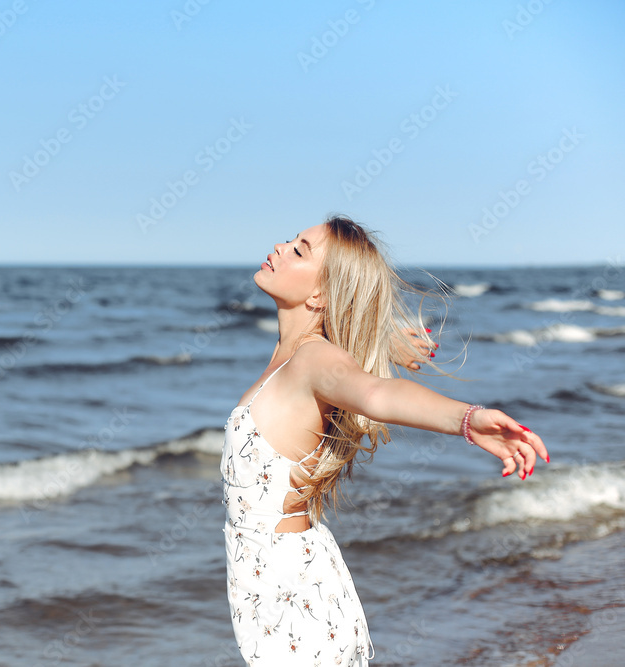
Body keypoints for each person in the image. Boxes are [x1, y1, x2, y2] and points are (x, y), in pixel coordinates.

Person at [221, 215, 548, 665]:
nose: (279, 246)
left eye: (299, 249)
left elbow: (376, 392)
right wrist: (382, 340)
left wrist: (466, 420)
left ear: (320, 293)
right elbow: (347, 359)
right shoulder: (293, 355)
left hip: (291, 595)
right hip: (275, 584)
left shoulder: (312, 361)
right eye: (291, 240)